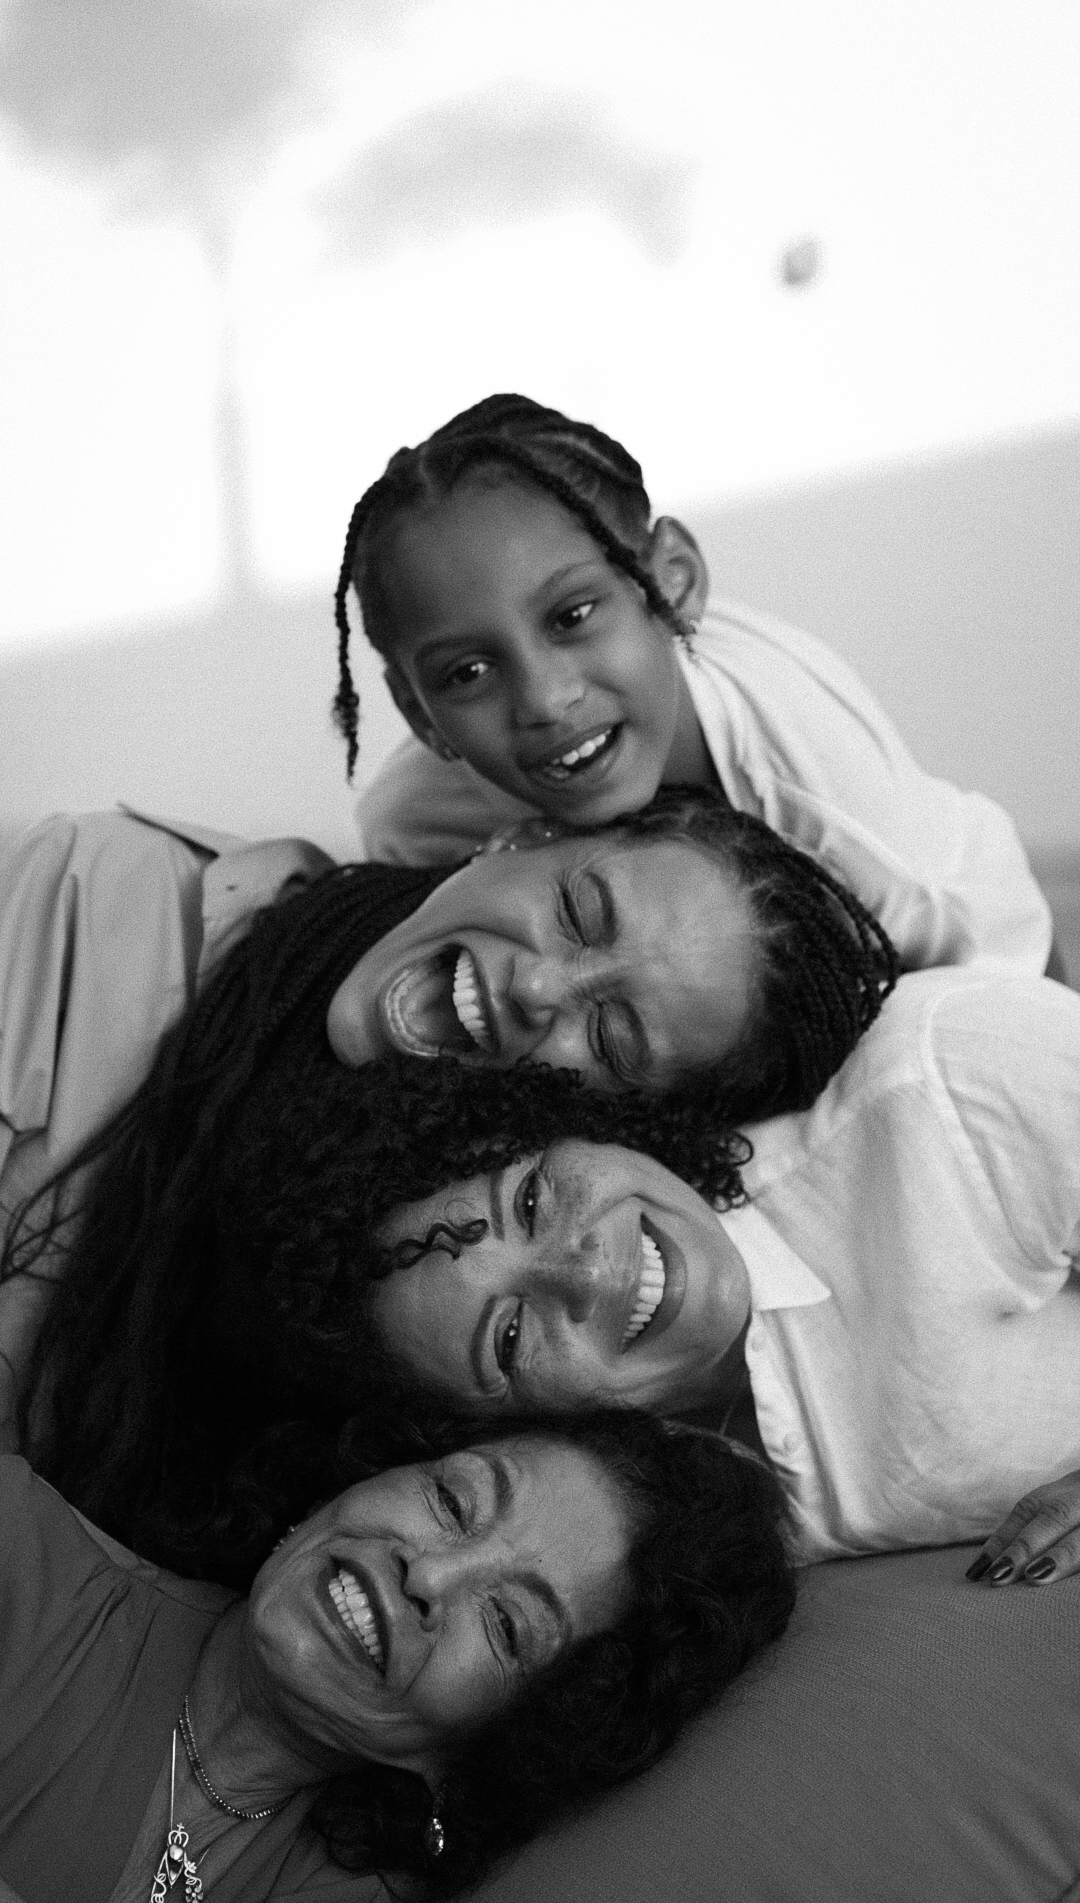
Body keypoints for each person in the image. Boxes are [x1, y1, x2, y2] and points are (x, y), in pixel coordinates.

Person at [0, 793, 895, 1492]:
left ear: (624, 1125)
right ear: (525, 838)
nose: (540, 988)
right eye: (578, 910)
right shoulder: (100, 894)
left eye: (612, 1038)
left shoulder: (421, 1345)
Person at [318, 967, 1080, 1576]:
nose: (586, 1276)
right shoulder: (643, 1540)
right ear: (501, 1427)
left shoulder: (932, 1083)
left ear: (574, 1123)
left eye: (530, 1199)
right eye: (510, 1337)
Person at [335, 392, 1055, 976]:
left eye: (572, 617)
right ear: (421, 716)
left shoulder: (821, 794)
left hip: (989, 939)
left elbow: (997, 954)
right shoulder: (419, 820)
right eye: (468, 673)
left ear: (670, 584)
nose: (546, 702)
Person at [0, 1409, 796, 1902]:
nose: (428, 1575)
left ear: (509, 1737)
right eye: (452, 1500)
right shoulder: (16, 1550)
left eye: (506, 1625)